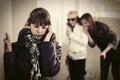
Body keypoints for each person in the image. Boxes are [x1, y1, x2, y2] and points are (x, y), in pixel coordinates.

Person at [4, 8, 61, 80]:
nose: (39, 31)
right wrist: (9, 53)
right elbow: (11, 76)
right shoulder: (18, 46)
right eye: (36, 26)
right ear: (29, 24)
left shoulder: (55, 47)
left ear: (48, 27)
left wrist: (46, 42)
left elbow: (49, 72)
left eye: (44, 27)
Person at [80, 13, 120, 80]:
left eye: (86, 22)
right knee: (103, 73)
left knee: (115, 72)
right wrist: (87, 34)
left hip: (115, 49)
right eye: (83, 24)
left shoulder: (102, 26)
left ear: (90, 20)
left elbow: (114, 40)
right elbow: (92, 45)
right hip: (104, 51)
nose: (84, 25)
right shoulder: (89, 30)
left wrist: (105, 51)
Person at [65, 11, 88, 80]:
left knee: (80, 77)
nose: (70, 21)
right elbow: (66, 43)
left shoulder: (82, 27)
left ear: (77, 19)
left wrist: (72, 35)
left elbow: (85, 42)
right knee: (72, 77)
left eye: (73, 19)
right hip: (70, 56)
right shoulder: (68, 27)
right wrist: (67, 36)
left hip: (80, 57)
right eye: (68, 19)